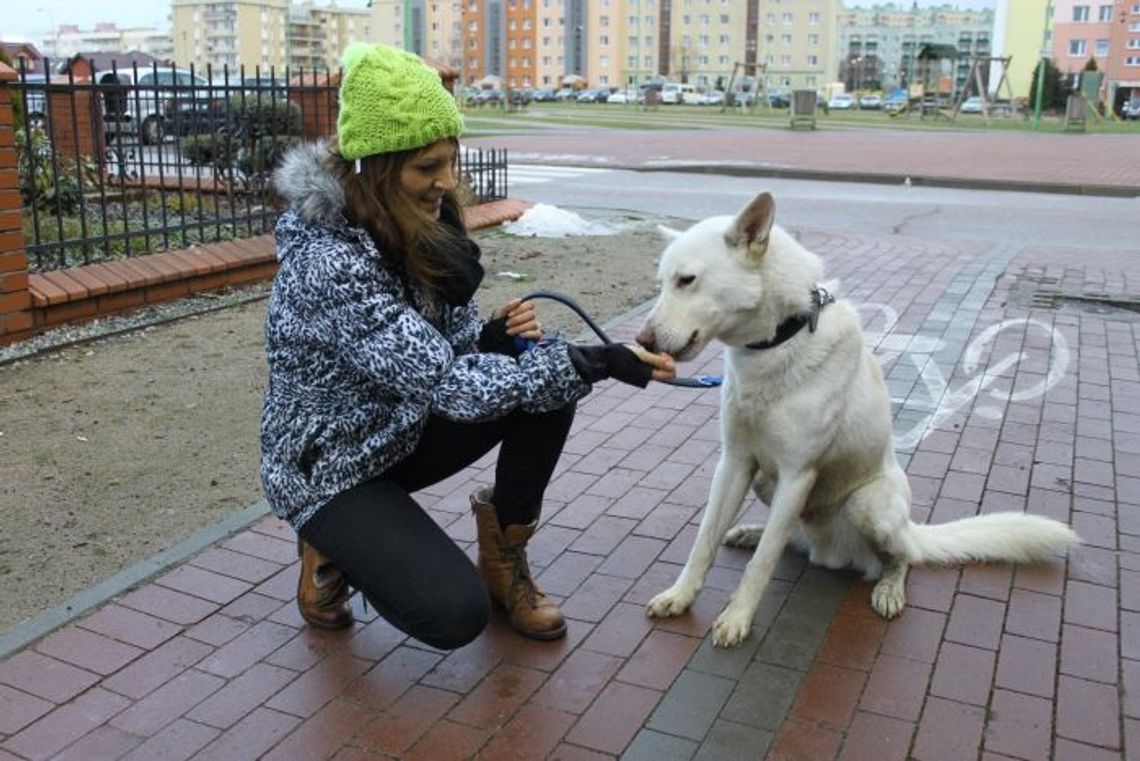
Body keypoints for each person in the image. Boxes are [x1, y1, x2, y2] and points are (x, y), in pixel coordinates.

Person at [260, 43, 676, 650]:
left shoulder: (411, 228)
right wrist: (598, 360)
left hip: (401, 427)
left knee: (541, 382)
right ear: (374, 167)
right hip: (333, 465)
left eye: (450, 161)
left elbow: (453, 352)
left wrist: (490, 339)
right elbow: (450, 384)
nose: (446, 183)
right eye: (427, 166)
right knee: (453, 616)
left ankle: (504, 559)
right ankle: (330, 540)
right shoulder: (329, 265)